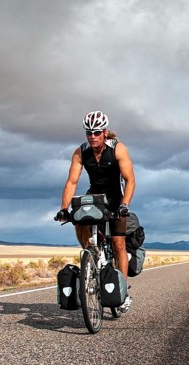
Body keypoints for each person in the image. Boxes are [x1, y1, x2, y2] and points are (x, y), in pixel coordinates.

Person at [55, 110, 136, 312]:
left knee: (118, 244)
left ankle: (122, 292)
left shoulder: (118, 149)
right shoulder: (80, 152)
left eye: (97, 132)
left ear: (104, 132)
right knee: (78, 218)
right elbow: (72, 182)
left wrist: (124, 205)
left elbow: (130, 180)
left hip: (116, 199)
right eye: (89, 133)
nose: (92, 136)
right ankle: (91, 254)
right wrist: (64, 209)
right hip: (95, 197)